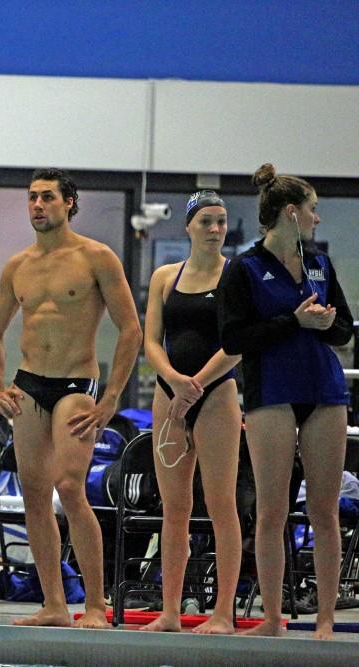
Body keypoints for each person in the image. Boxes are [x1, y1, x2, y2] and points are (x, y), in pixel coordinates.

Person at [0, 168, 142, 629]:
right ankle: (54, 603)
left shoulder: (96, 257)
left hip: (77, 386)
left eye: (47, 197)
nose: (37, 205)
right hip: (30, 382)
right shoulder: (18, 265)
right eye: (32, 197)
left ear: (69, 203)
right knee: (34, 494)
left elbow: (130, 329)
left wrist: (112, 397)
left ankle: (95, 604)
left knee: (70, 488)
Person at [219, 164, 353, 640]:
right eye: (313, 211)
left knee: (325, 511)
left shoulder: (319, 263)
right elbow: (234, 338)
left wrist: (323, 323)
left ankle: (323, 618)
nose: (318, 220)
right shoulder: (244, 269)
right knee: (272, 511)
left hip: (323, 391)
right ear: (292, 214)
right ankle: (273, 617)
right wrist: (294, 323)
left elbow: (343, 327)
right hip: (271, 393)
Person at [140, 191, 242, 634]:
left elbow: (238, 342)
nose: (215, 230)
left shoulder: (237, 276)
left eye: (221, 222)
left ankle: (222, 613)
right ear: (188, 227)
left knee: (222, 505)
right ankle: (169, 612)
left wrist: (196, 383)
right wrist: (176, 382)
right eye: (206, 222)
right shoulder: (165, 276)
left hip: (217, 392)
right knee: (175, 508)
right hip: (169, 392)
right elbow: (150, 341)